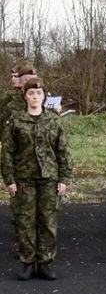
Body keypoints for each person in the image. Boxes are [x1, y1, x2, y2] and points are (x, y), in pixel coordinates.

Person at [1, 77, 72, 280]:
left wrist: (64, 178)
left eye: (38, 93)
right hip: (23, 179)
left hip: (49, 178)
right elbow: (7, 153)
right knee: (25, 222)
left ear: (44, 96)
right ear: (25, 96)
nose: (35, 96)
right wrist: (9, 179)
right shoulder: (15, 121)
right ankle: (27, 263)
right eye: (31, 93)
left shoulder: (53, 120)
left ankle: (45, 262)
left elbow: (63, 151)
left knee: (48, 221)